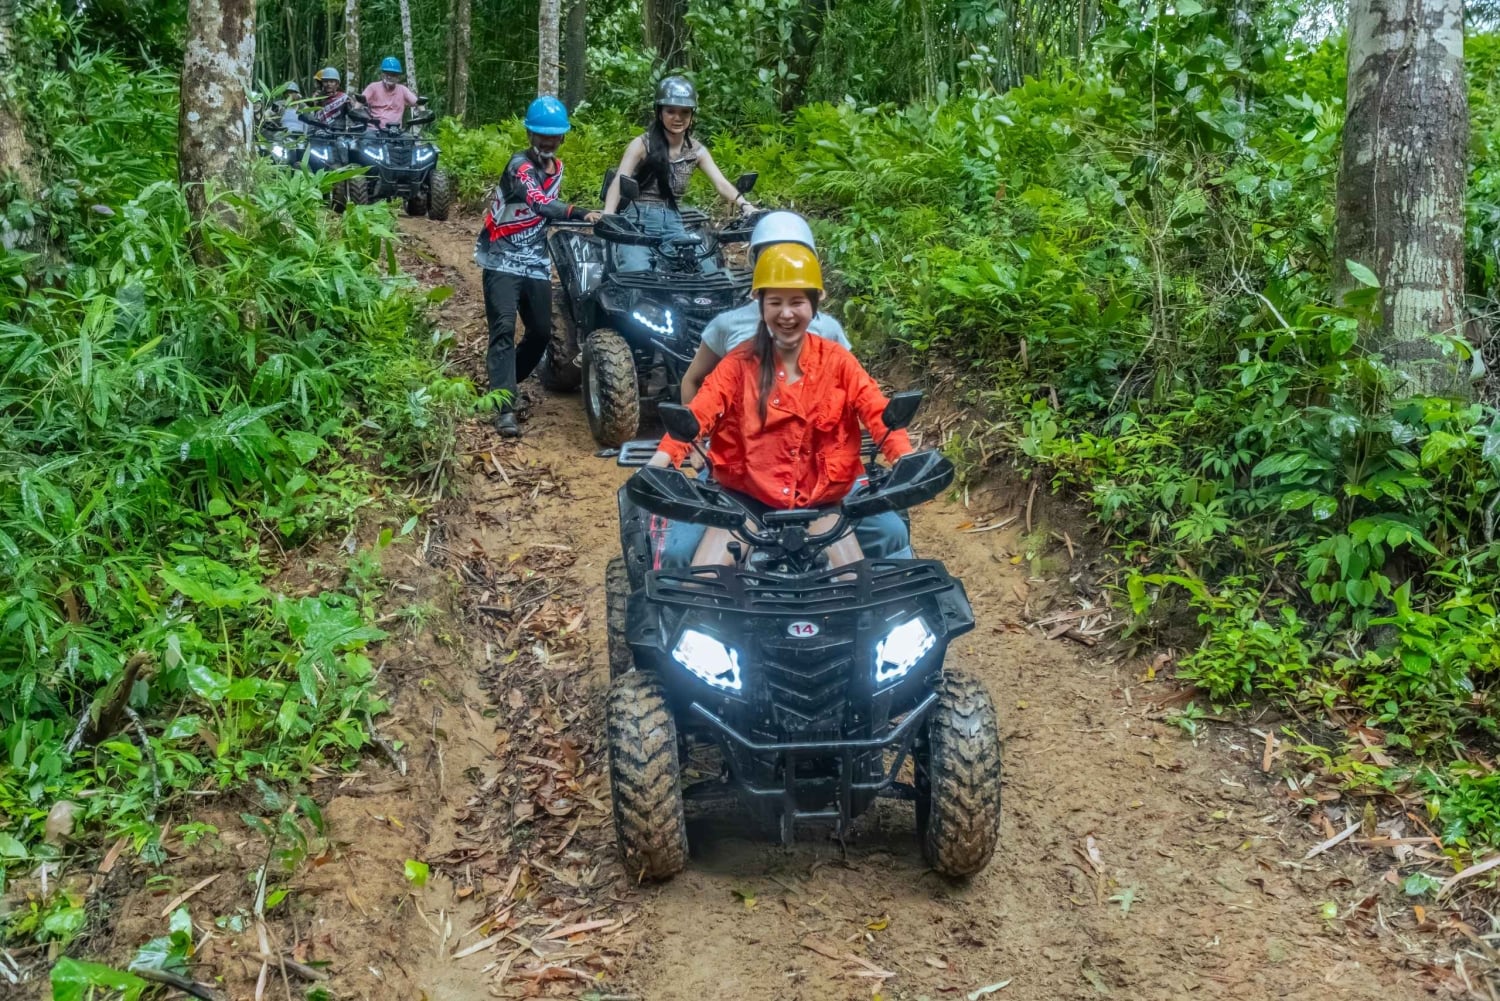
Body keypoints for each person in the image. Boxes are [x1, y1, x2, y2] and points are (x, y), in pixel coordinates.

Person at [648, 243, 914, 568]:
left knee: (857, 580)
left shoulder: (838, 361)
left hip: (821, 501)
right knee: (702, 576)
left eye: (797, 302)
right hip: (746, 499)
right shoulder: (738, 364)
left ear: (814, 305)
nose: (786, 314)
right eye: (775, 302)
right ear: (760, 306)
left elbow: (877, 410)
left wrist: (904, 457)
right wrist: (660, 461)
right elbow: (699, 412)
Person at [474, 96, 600, 438]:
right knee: (503, 328)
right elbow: (539, 202)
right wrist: (580, 212)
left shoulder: (558, 169)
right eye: (541, 134)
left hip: (535, 262)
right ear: (530, 133)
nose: (547, 141)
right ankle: (504, 408)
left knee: (542, 333)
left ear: (562, 137)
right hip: (501, 258)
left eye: (553, 135)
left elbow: (548, 210)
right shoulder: (519, 166)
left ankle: (502, 384)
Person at [682, 211, 849, 403]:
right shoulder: (727, 325)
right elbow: (693, 380)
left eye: (791, 254)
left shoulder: (827, 329)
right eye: (770, 256)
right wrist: (693, 420)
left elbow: (850, 386)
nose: (780, 263)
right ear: (756, 262)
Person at [601, 76, 759, 272]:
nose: (678, 118)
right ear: (659, 112)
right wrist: (608, 215)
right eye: (671, 111)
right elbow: (620, 180)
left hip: (674, 224)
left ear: (692, 115)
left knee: (707, 271)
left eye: (685, 112)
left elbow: (721, 183)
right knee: (636, 272)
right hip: (638, 221)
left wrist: (746, 205)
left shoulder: (696, 151)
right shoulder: (642, 144)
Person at [361, 56, 419, 129]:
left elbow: (418, 102)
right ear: (382, 74)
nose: (389, 77)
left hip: (395, 131)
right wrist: (356, 112)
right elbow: (360, 100)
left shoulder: (403, 90)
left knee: (409, 136)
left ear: (398, 77)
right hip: (374, 130)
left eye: (393, 74)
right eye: (387, 74)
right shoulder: (373, 87)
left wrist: (423, 113)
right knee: (366, 135)